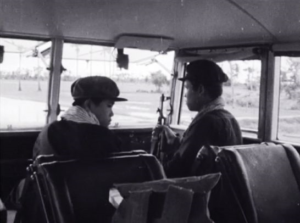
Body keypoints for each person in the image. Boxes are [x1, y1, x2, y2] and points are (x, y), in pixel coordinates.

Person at [153, 59, 242, 178]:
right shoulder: (230, 118)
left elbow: (176, 171)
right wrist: (175, 142)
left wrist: (153, 167)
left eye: (187, 88)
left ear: (200, 90)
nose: (185, 94)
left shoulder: (206, 123)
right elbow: (194, 155)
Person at [33, 76, 127, 158]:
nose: (112, 114)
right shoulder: (103, 138)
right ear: (88, 105)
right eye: (109, 106)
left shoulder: (49, 129)